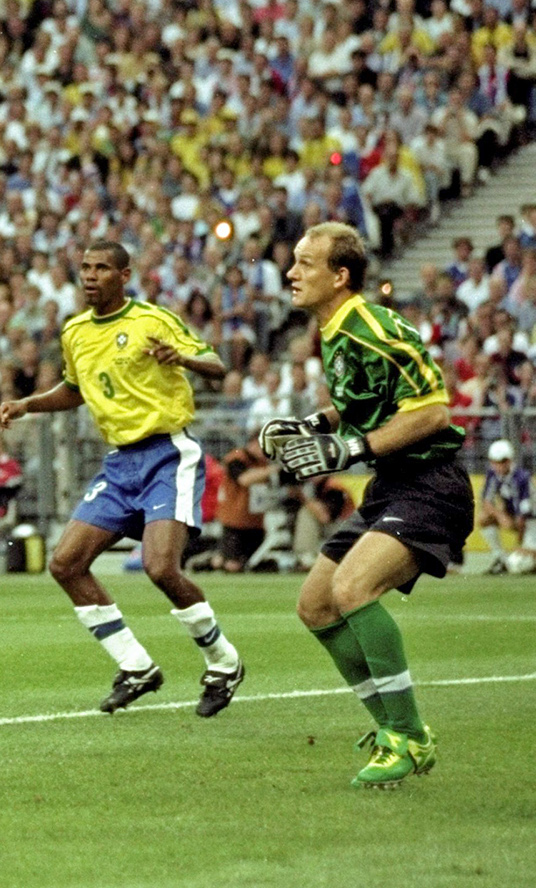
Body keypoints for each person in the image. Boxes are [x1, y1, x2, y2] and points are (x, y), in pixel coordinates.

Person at [0, 240, 246, 717]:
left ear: (124, 275)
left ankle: (223, 661)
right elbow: (75, 390)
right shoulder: (75, 331)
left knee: (161, 568)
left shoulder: (152, 319)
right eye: (85, 268)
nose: (90, 276)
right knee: (65, 563)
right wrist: (29, 403)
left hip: (167, 454)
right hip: (120, 463)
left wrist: (182, 359)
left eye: (102, 268)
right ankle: (136, 666)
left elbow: (216, 365)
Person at [271, 222, 474, 789]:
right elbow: (364, 400)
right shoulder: (336, 329)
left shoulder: (371, 326)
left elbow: (433, 412)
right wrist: (314, 424)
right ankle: (394, 730)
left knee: (353, 588)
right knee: (315, 605)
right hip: (391, 485)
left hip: (431, 484)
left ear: (340, 276)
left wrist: (351, 448)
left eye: (305, 263)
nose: (291, 272)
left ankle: (407, 736)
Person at [214, 441, 278, 573]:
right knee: (232, 564)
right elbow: (244, 479)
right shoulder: (236, 458)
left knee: (253, 562)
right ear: (254, 443)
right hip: (235, 519)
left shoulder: (262, 462)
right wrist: (272, 470)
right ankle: (211, 562)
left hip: (255, 519)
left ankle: (218, 560)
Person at [477, 440, 530, 574]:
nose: (498, 465)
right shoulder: (492, 474)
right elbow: (486, 502)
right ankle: (500, 558)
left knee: (523, 564)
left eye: (502, 461)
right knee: (484, 518)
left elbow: (524, 514)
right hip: (513, 518)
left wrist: (520, 544)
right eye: (495, 461)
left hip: (530, 522)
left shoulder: (522, 477)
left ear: (509, 460)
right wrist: (500, 515)